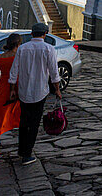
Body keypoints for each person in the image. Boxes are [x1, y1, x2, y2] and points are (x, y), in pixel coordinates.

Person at [8, 22, 62, 165]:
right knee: (34, 123)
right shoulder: (49, 49)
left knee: (24, 121)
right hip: (40, 91)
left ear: (32, 34)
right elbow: (54, 72)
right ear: (45, 34)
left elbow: (14, 71)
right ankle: (27, 153)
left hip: (24, 91)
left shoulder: (22, 49)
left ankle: (22, 150)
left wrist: (12, 89)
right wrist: (57, 89)